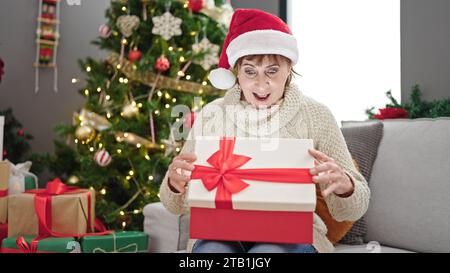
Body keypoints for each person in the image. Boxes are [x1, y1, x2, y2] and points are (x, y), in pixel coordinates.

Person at [159, 8, 370, 253]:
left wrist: (346, 186)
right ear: (237, 70)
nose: (261, 83)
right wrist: (175, 184)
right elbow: (173, 205)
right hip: (219, 232)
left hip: (294, 235)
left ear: (289, 68)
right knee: (212, 252)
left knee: (267, 253)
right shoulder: (211, 115)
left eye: (272, 70)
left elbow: (355, 206)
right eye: (250, 71)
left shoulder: (316, 115)